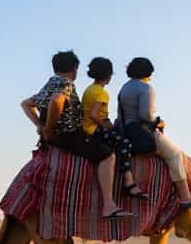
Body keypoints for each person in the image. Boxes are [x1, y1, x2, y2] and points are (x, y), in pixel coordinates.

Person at [21, 50, 131, 219]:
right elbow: (57, 101)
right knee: (108, 155)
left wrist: (40, 125)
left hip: (57, 138)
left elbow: (26, 104)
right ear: (74, 69)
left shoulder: (49, 84)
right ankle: (109, 205)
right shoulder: (65, 84)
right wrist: (48, 129)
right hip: (70, 136)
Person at [117, 57, 191, 210]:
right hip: (141, 130)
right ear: (149, 72)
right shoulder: (146, 88)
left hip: (125, 130)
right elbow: (146, 115)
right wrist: (159, 122)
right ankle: (185, 196)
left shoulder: (124, 88)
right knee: (175, 154)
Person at [81, 57, 147, 201]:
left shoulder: (90, 89)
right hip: (93, 129)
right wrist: (108, 127)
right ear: (109, 75)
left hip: (86, 127)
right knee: (124, 143)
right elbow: (93, 115)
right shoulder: (102, 93)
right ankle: (129, 182)